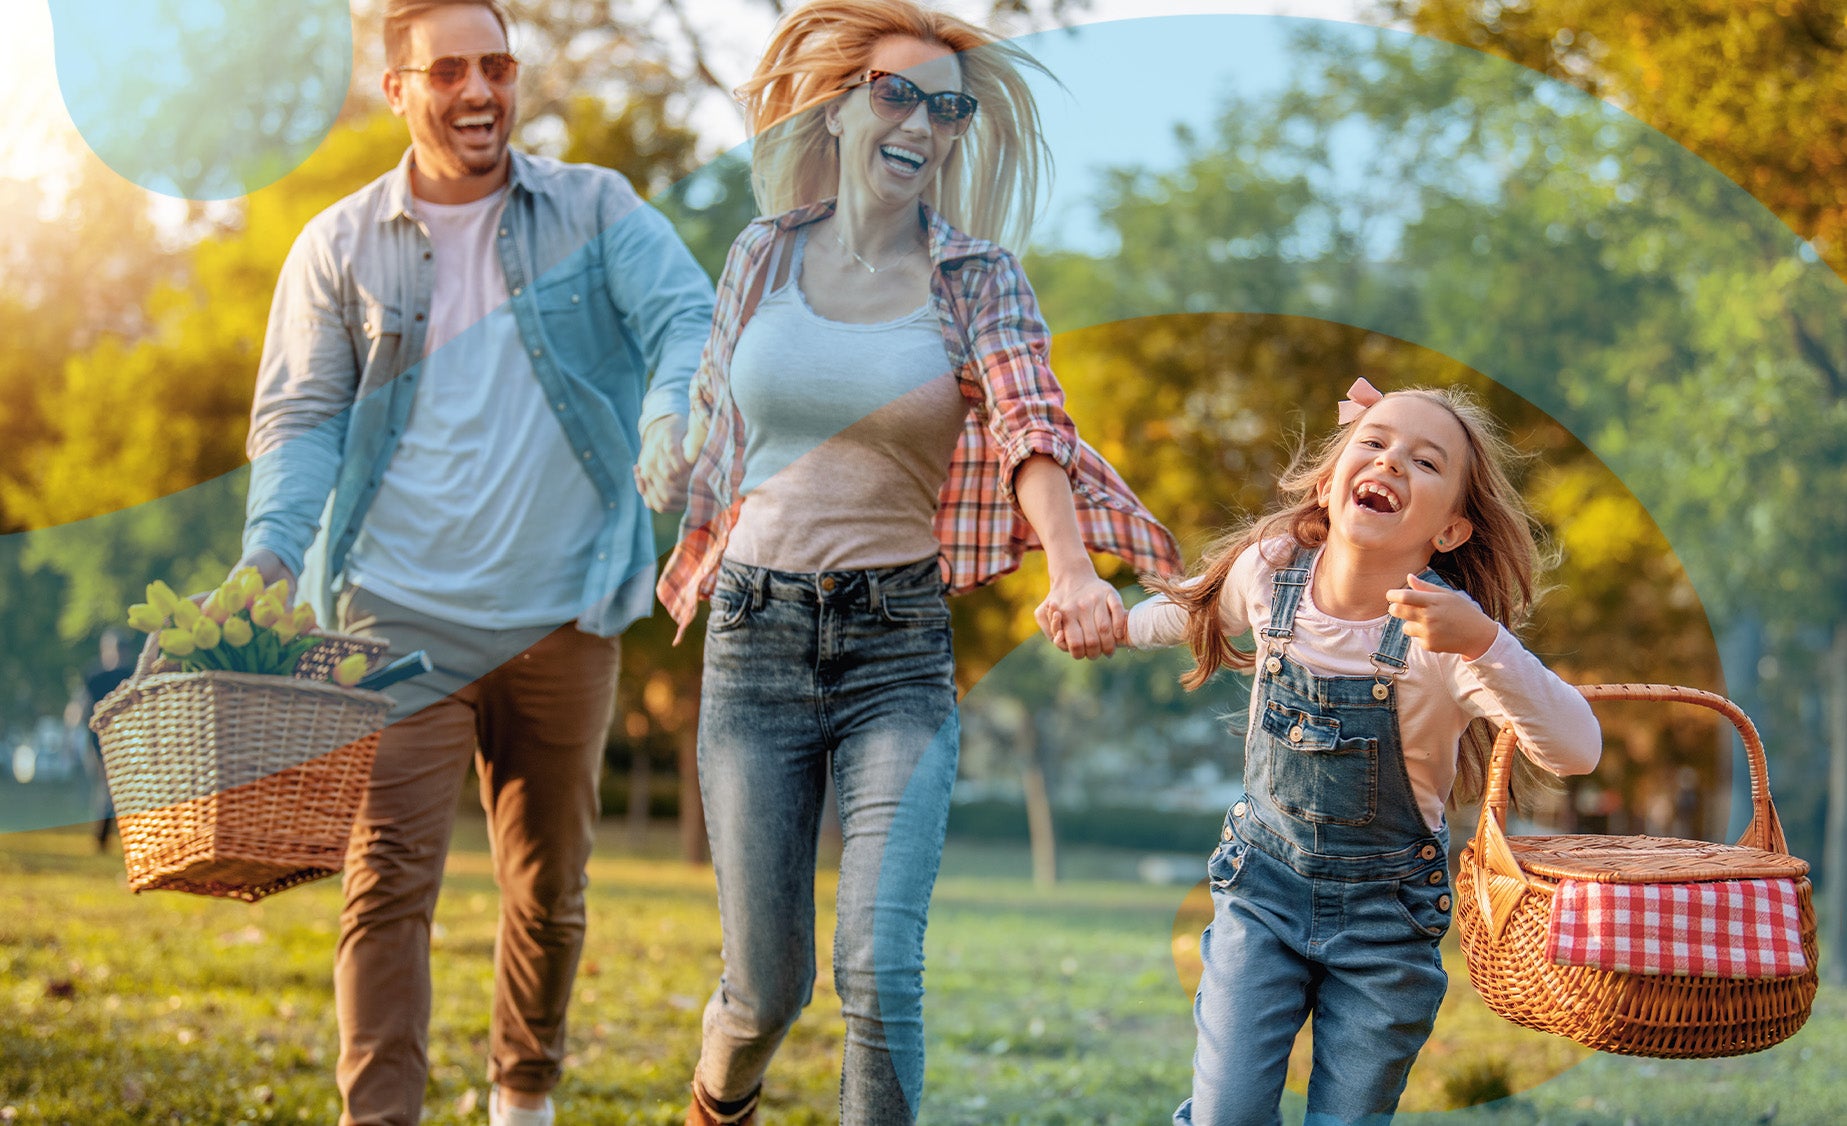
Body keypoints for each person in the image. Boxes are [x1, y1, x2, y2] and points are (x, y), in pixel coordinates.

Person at [653, 2, 1182, 1121]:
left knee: (880, 973)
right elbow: (718, 419)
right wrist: (671, 468)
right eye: (895, 93)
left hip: (895, 646)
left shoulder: (977, 275)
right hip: (754, 638)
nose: (921, 123)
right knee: (764, 988)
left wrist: (1074, 571)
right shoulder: (763, 255)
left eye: (947, 108)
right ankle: (714, 1100)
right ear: (841, 106)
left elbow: (1029, 424)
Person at [235, 2, 716, 1122]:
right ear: (397, 88)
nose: (478, 90)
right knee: (384, 883)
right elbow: (301, 416)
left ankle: (521, 1093)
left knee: (548, 890)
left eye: (496, 65)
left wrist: (665, 422)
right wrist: (271, 548)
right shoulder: (341, 244)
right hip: (394, 612)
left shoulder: (595, 209)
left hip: (562, 606)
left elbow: (684, 315)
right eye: (447, 69)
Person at [1131, 379, 1603, 1126]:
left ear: (1449, 530)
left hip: (1386, 923)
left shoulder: (1445, 641)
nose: (1389, 463)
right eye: (1374, 443)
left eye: (1424, 462)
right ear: (1329, 480)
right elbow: (1185, 608)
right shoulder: (1267, 573)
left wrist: (1483, 641)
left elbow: (1577, 748)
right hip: (1261, 891)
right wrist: (1105, 621)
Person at [76, 627, 134, 850]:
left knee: (116, 789)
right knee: (108, 787)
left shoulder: (131, 675)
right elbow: (83, 706)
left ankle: (111, 836)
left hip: (127, 741)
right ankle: (102, 837)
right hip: (99, 741)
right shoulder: (95, 676)